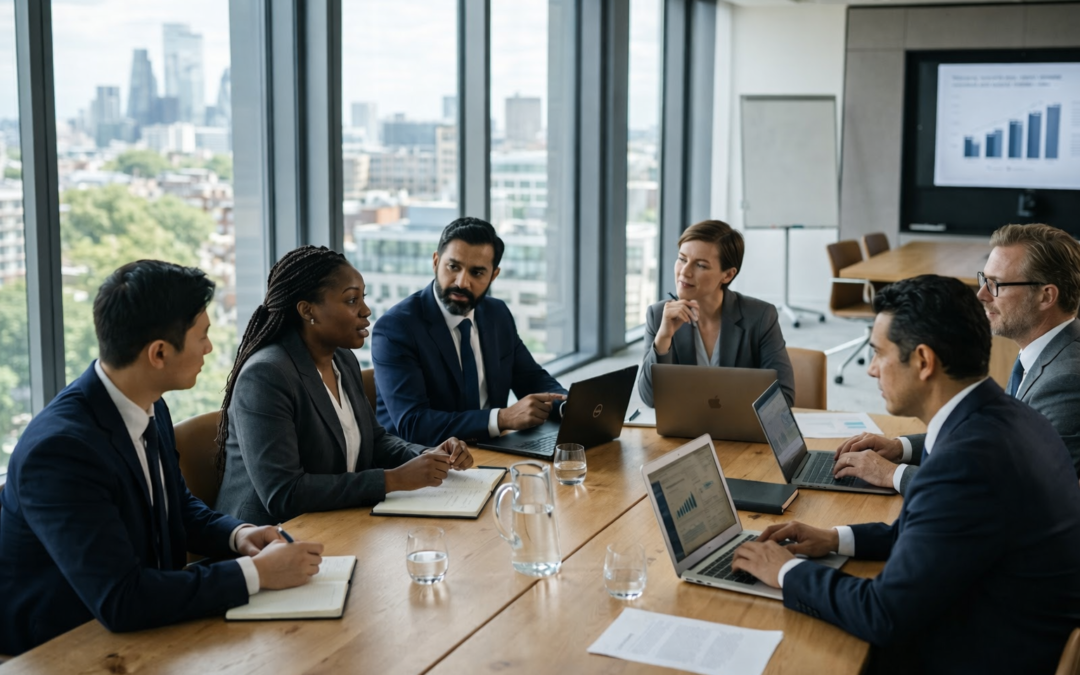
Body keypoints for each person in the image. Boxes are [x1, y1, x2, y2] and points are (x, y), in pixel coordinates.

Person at [731, 275, 1080, 675]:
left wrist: (785, 571)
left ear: (923, 361)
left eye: (879, 353)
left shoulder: (966, 459)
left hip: (983, 652)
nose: (872, 370)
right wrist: (834, 539)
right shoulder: (996, 416)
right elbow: (929, 536)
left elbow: (884, 614)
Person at [0, 261, 323, 655]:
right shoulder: (60, 451)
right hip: (63, 647)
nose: (209, 347)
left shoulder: (149, 402)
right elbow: (121, 599)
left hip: (149, 623)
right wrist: (257, 574)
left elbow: (175, 505)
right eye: (202, 335)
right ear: (158, 353)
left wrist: (238, 536)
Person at [215, 246, 474, 527]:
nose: (365, 310)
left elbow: (375, 441)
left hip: (335, 520)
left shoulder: (342, 359)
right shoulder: (266, 375)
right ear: (307, 310)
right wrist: (394, 479)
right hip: (267, 537)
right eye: (351, 300)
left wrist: (426, 455)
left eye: (362, 297)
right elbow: (283, 494)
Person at [833, 223, 1080, 493]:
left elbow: (1018, 492)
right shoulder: (1041, 351)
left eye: (995, 284)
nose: (981, 294)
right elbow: (991, 442)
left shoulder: (1065, 379)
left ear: (1046, 296)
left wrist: (893, 474)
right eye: (983, 279)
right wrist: (900, 448)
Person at [371, 217, 568, 446]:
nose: (462, 282)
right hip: (425, 464)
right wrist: (502, 419)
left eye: (477, 273)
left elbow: (531, 378)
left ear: (493, 275)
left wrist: (568, 406)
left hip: (493, 451)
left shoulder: (497, 314)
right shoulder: (396, 328)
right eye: (453, 267)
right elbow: (413, 424)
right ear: (436, 262)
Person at [638, 219, 795, 408]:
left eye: (701, 265)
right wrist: (663, 338)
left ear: (727, 275)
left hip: (739, 433)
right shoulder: (658, 316)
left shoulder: (760, 317)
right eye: (682, 259)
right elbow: (650, 399)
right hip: (684, 435)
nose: (685, 272)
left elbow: (783, 397)